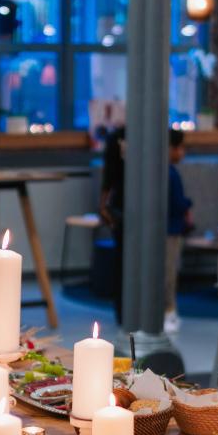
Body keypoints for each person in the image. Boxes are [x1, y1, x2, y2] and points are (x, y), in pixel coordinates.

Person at [164, 130, 193, 334]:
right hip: (170, 231)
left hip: (170, 229)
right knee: (169, 274)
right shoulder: (170, 173)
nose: (182, 152)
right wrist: (188, 205)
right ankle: (169, 311)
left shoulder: (167, 172)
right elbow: (177, 203)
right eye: (180, 148)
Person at [99, 126, 125, 325]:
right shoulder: (117, 137)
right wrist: (104, 206)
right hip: (122, 208)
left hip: (124, 206)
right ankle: (124, 310)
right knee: (122, 261)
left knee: (123, 260)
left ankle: (125, 311)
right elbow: (109, 176)